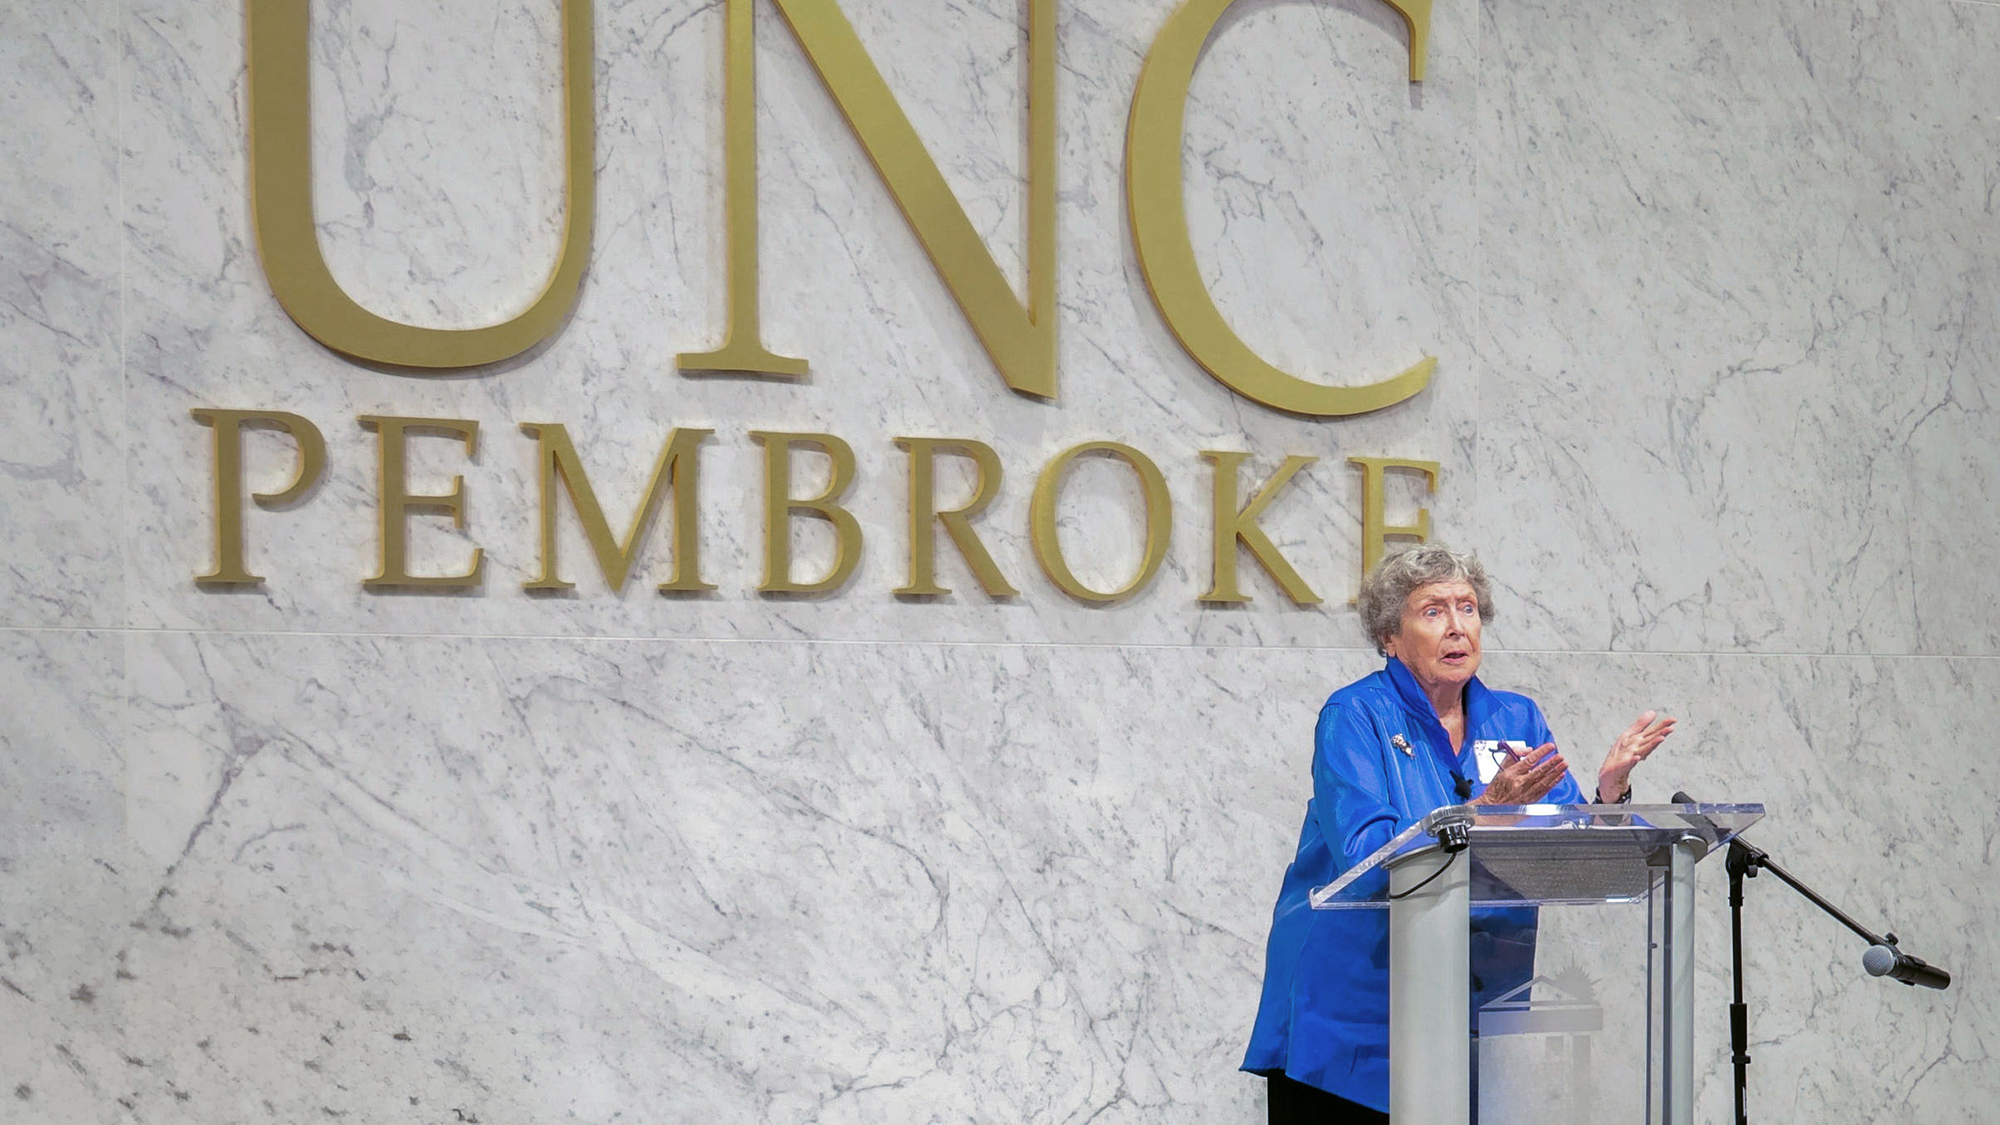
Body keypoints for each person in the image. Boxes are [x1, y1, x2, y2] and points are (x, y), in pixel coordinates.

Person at [1241, 544, 1675, 1123]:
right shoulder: (1355, 716)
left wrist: (1609, 796)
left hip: (1477, 1017)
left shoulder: (1515, 719)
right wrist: (1483, 813)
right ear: (1389, 636)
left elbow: (1565, 850)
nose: (1457, 626)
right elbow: (1365, 856)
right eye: (1433, 611)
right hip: (1356, 1023)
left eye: (1467, 608)